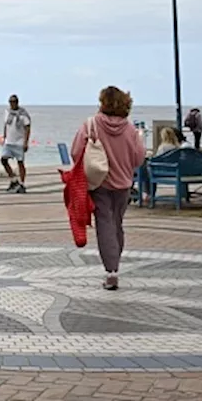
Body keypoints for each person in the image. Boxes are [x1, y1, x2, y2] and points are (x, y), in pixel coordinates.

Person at [70, 86, 147, 291]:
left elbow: (76, 152)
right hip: (123, 184)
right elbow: (139, 157)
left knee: (104, 224)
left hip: (99, 182)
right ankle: (115, 264)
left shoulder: (91, 125)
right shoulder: (130, 129)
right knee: (117, 223)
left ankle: (111, 271)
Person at [0, 94, 32, 193]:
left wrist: (26, 142)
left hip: (19, 142)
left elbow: (27, 128)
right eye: (10, 102)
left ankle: (22, 183)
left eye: (14, 102)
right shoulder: (7, 112)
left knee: (20, 162)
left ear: (17, 102)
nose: (12, 103)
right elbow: (6, 125)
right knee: (3, 160)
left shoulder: (23, 114)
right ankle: (14, 180)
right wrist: (4, 137)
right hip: (9, 141)